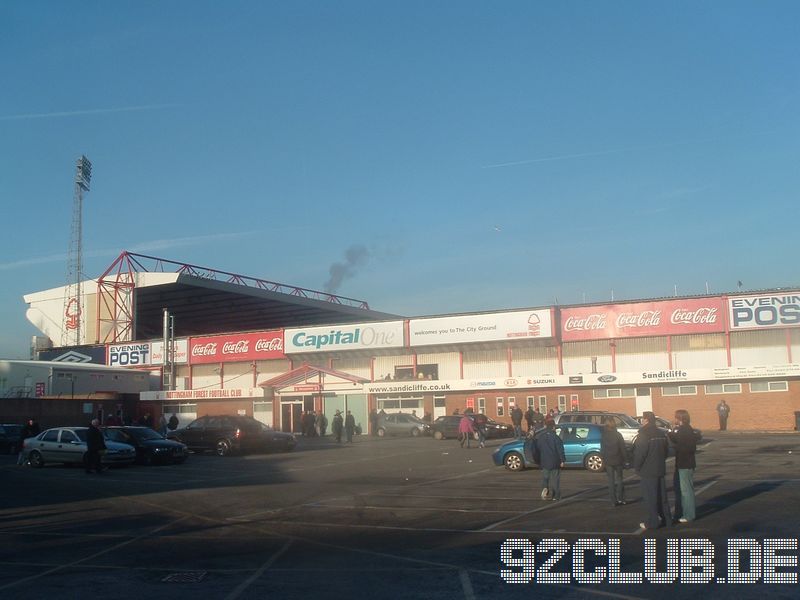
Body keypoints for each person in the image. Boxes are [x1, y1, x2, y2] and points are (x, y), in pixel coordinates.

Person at [633, 411, 671, 530]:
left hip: (648, 470)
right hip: (660, 468)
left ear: (646, 420)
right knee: (662, 497)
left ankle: (653, 522)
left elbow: (640, 453)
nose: (642, 422)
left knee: (651, 498)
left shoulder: (643, 434)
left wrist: (637, 467)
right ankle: (667, 520)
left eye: (642, 419)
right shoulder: (661, 433)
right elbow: (666, 451)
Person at [668, 409, 700, 523]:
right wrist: (671, 432)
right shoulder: (687, 429)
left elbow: (683, 446)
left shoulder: (683, 430)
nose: (674, 419)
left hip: (684, 464)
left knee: (686, 491)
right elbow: (678, 440)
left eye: (676, 417)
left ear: (680, 418)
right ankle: (685, 512)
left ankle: (689, 514)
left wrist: (676, 447)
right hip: (686, 463)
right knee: (685, 490)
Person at [601, 416, 628, 506]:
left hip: (608, 460)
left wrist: (603, 459)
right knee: (620, 479)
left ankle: (613, 501)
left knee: (611, 481)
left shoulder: (604, 435)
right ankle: (621, 498)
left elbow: (602, 449)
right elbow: (623, 448)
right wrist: (626, 459)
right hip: (618, 459)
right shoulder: (618, 434)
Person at [538, 419, 566, 500]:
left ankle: (545, 488)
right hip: (554, 461)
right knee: (555, 480)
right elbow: (560, 450)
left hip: (544, 461)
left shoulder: (541, 437)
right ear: (553, 427)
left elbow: (538, 448)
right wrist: (562, 460)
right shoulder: (556, 438)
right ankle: (556, 496)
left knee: (545, 477)